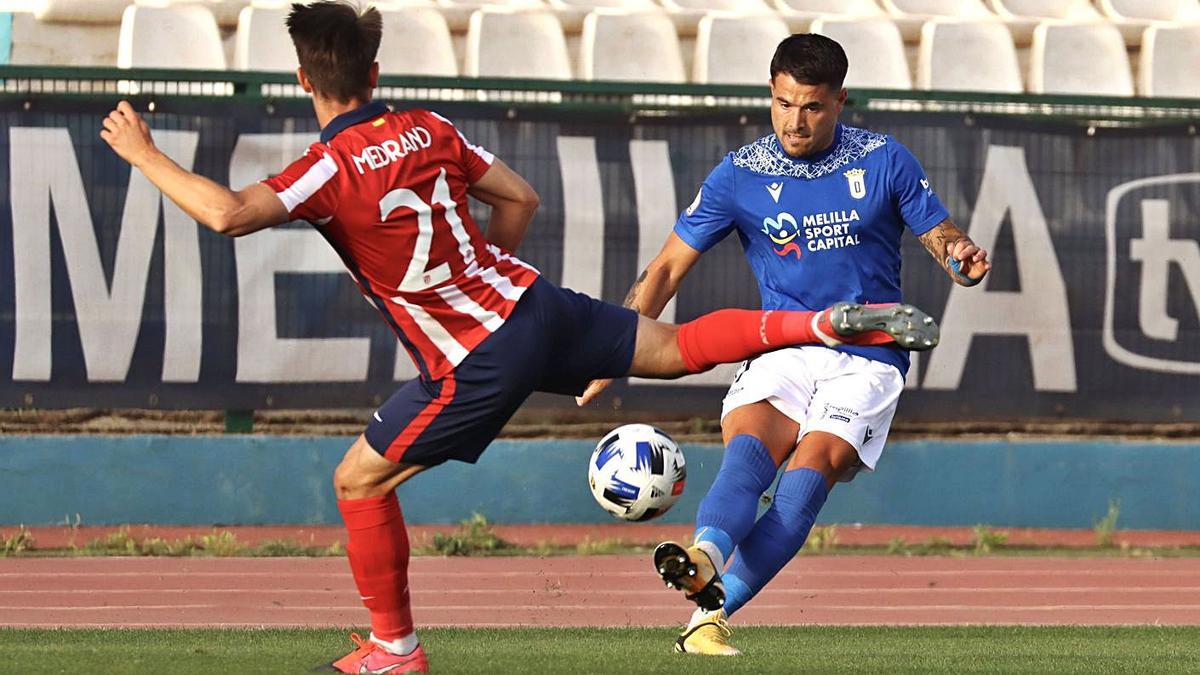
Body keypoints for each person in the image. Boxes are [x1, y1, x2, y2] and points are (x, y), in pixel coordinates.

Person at [100, 5, 940, 672]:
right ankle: (817, 326)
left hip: (476, 353)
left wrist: (143, 153)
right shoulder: (429, 128)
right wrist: (483, 267)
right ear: (376, 73)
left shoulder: (328, 165)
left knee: (359, 481)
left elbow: (225, 214)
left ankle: (393, 651)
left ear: (303, 81)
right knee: (675, 346)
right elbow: (521, 200)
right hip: (537, 306)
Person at [578, 33, 992, 656]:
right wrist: (617, 346)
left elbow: (941, 236)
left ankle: (708, 616)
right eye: (783, 103)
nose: (795, 121)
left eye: (812, 107)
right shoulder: (740, 174)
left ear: (841, 101)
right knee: (749, 454)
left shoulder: (884, 159)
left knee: (808, 475)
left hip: (870, 354)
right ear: (770, 95)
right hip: (784, 344)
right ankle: (702, 555)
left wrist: (959, 256)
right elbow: (665, 269)